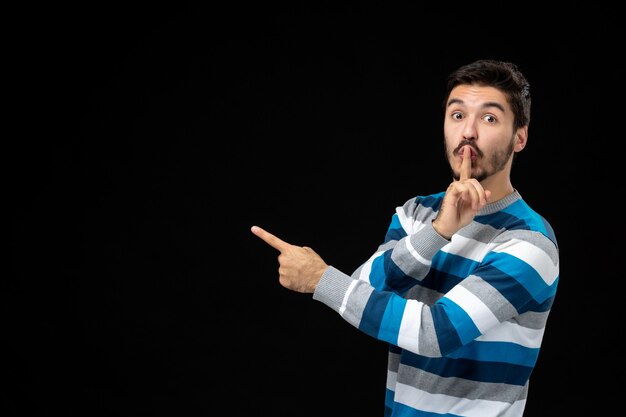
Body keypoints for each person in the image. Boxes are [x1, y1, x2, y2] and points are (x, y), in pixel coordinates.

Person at [250, 59, 559, 417]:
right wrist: (438, 232)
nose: (468, 132)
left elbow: (435, 333)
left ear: (519, 137)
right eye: (457, 115)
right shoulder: (416, 214)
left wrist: (320, 279)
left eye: (489, 118)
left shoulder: (530, 241)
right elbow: (363, 287)